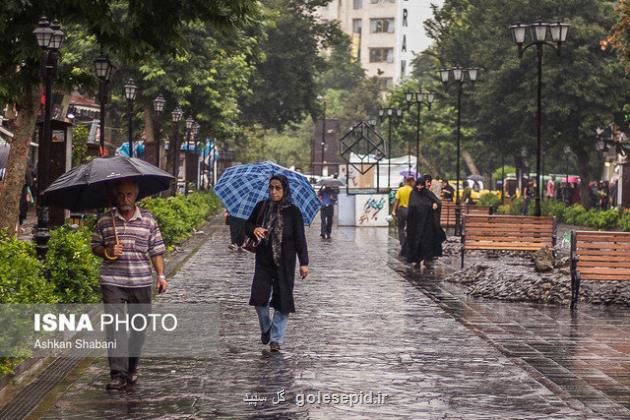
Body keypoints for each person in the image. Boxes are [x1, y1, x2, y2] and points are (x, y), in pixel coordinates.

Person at [91, 180, 168, 390]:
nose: (125, 199)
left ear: (136, 195)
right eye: (121, 195)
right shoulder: (105, 221)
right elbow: (95, 246)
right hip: (112, 281)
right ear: (115, 196)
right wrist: (108, 251)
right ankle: (117, 374)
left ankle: (132, 367)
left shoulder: (148, 220)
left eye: (129, 195)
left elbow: (156, 250)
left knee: (138, 328)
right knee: (114, 327)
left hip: (141, 281)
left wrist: (161, 275)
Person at [245, 175, 309, 352]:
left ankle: (276, 339)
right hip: (264, 261)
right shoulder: (262, 207)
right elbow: (247, 225)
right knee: (259, 298)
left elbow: (300, 239)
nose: (273, 191)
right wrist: (254, 229)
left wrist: (304, 262)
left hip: (285, 263)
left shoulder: (293, 212)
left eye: (278, 188)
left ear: (285, 190)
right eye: (271, 187)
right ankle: (266, 328)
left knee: (283, 302)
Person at [406, 178, 445, 269]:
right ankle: (416, 259)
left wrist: (436, 204)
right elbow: (411, 207)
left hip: (427, 223)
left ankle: (428, 258)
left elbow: (437, 201)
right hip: (416, 223)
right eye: (418, 185)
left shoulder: (427, 193)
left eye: (421, 185)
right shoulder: (413, 194)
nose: (420, 187)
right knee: (417, 242)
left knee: (427, 242)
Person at [391, 176, 415, 257]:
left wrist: (394, 211)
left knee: (400, 228)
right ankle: (408, 244)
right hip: (410, 210)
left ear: (405, 181)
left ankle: (403, 243)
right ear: (410, 182)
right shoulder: (413, 190)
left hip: (401, 210)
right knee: (410, 228)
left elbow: (396, 201)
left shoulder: (400, 189)